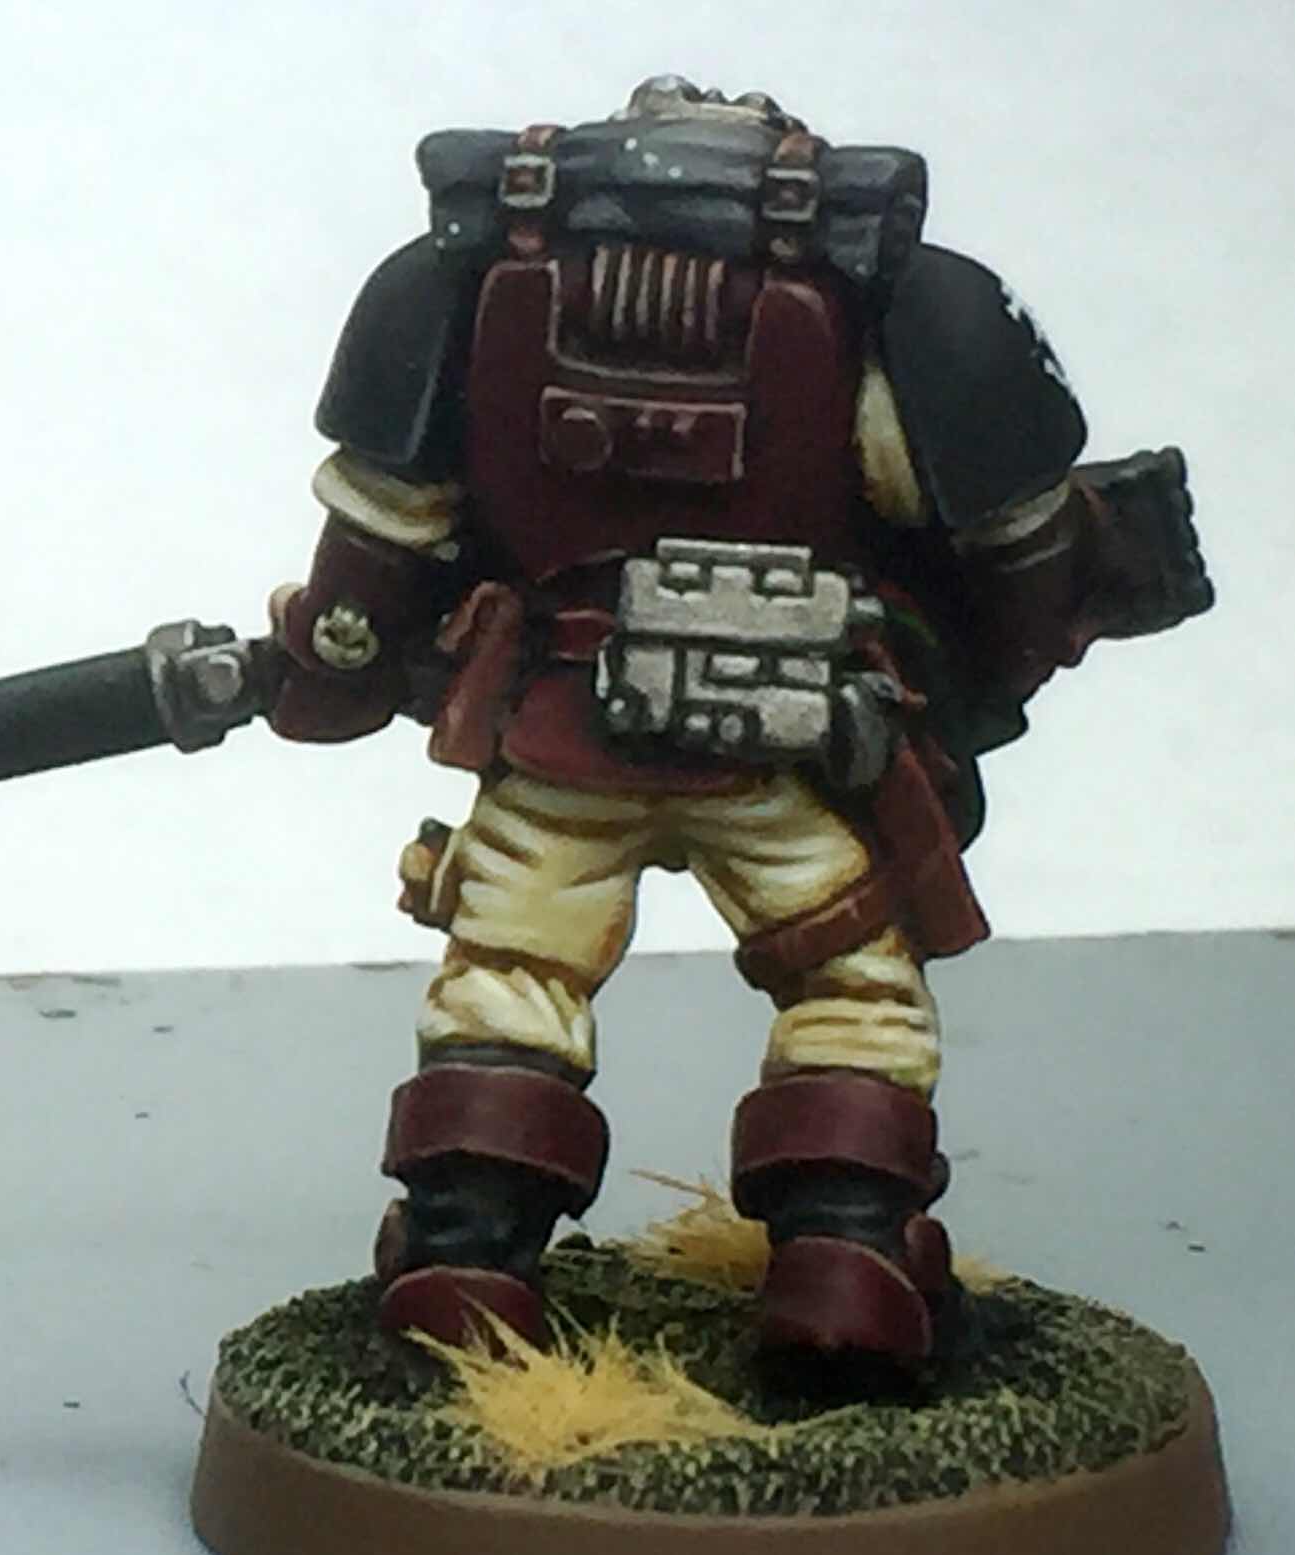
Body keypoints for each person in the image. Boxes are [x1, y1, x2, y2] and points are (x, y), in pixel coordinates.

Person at [275, 76, 1208, 1382]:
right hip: (791, 750)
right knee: (850, 988)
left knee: (510, 978)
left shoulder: (459, 290)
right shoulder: (885, 308)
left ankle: (463, 1257)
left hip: (559, 739)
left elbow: (375, 548)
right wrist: (970, 690)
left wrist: (330, 669)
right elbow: (1020, 550)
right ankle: (846, 1262)